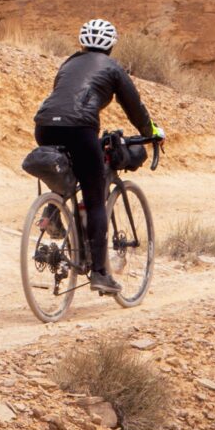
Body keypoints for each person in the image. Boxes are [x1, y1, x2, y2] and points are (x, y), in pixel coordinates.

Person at [33, 18, 159, 294]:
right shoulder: (113, 68)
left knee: (65, 174)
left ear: (81, 42)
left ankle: (52, 211)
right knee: (94, 195)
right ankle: (101, 273)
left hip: (43, 126)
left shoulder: (68, 63)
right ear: (112, 45)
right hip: (81, 129)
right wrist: (151, 131)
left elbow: (62, 94)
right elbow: (134, 106)